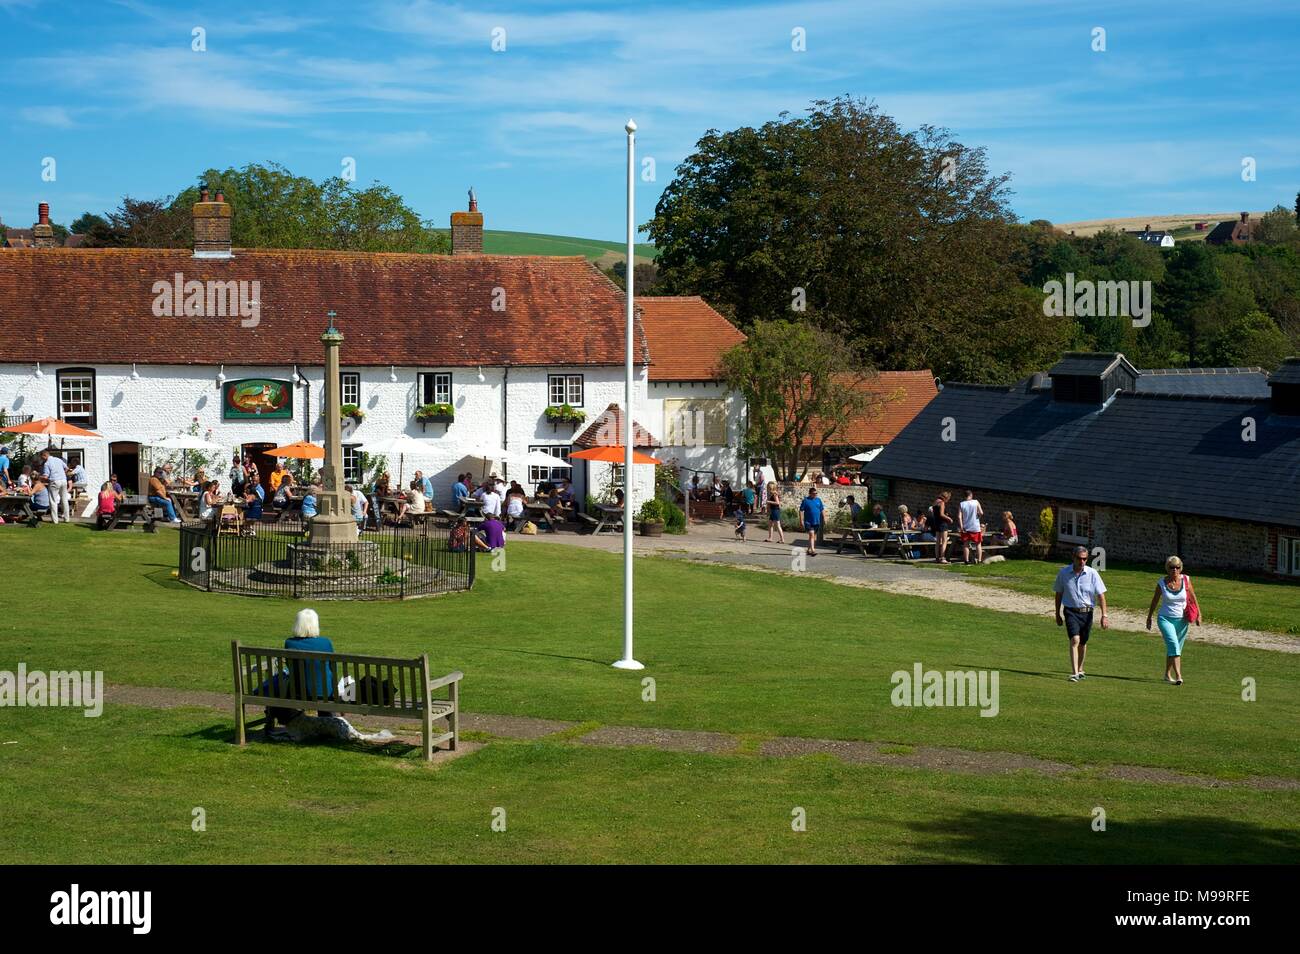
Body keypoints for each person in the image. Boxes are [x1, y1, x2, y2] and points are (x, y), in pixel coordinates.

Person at [264, 609, 336, 735]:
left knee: (279, 684)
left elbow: (291, 668)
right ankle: (328, 724)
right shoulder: (326, 642)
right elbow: (332, 668)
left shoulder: (290, 643)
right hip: (325, 692)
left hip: (298, 692)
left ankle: (273, 722)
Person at [1054, 545, 1110, 682]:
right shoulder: (1063, 573)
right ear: (1073, 558)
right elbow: (1058, 594)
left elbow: (1101, 595)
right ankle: (1074, 673)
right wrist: (1057, 614)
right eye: (1079, 558)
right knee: (1075, 640)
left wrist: (1104, 616)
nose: (1082, 561)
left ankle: (1080, 669)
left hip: (1087, 613)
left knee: (1083, 642)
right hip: (1071, 611)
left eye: (1085, 559)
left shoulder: (1092, 573)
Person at [1146, 556, 1200, 685]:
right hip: (1165, 619)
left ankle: (1167, 674)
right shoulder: (1161, 583)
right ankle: (1179, 676)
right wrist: (1149, 618)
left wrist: (1199, 614)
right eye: (1172, 567)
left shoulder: (1186, 580)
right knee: (1174, 645)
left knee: (1175, 648)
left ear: (1180, 568)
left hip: (1182, 620)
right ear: (1167, 569)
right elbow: (1154, 601)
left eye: (1177, 567)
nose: (1175, 570)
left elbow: (1192, 597)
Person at [40, 449, 70, 523]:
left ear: (45, 455)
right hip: (63, 480)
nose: (42, 459)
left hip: (54, 481)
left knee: (53, 501)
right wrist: (62, 474)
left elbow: (46, 477)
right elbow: (67, 468)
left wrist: (39, 476)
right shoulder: (58, 460)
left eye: (42, 457)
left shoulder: (47, 463)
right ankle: (67, 518)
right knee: (64, 500)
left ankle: (55, 520)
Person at [959, 489, 984, 564]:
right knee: (978, 544)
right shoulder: (976, 502)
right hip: (975, 526)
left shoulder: (962, 504)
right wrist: (978, 517)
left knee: (966, 544)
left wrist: (961, 526)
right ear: (971, 495)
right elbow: (981, 513)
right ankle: (979, 561)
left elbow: (959, 516)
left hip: (966, 527)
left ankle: (966, 561)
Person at [799, 485, 825, 555]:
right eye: (814, 493)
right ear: (810, 493)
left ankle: (808, 549)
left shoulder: (818, 500)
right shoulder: (805, 500)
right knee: (812, 534)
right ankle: (813, 550)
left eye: (816, 493)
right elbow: (801, 510)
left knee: (812, 536)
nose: (815, 495)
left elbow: (822, 509)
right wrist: (801, 520)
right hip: (808, 521)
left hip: (816, 521)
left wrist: (824, 518)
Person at [930, 491, 953, 564]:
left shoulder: (935, 502)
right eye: (948, 499)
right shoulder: (942, 503)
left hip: (936, 523)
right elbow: (941, 514)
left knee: (938, 541)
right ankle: (943, 558)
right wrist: (949, 518)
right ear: (945, 498)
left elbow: (934, 513)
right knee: (944, 541)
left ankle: (937, 558)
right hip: (942, 523)